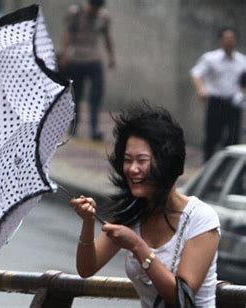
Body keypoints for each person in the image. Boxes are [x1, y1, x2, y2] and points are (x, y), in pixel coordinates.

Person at [69, 104, 220, 307]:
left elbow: (180, 299)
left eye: (142, 160)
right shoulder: (132, 212)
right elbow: (87, 268)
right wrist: (87, 223)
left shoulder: (201, 218)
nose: (133, 169)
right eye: (128, 160)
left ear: (166, 163)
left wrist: (137, 246)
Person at [60, 0, 115, 140]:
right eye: (93, 8)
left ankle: (94, 128)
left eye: (97, 9)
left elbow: (107, 36)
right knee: (76, 95)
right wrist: (65, 54)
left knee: (96, 94)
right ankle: (74, 125)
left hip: (94, 59)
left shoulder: (103, 17)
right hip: (76, 59)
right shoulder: (75, 13)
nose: (94, 11)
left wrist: (111, 56)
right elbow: (66, 33)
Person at [190, 27, 246, 162]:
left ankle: (228, 168)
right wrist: (201, 90)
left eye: (232, 39)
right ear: (221, 41)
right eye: (226, 39)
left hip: (234, 103)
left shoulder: (242, 60)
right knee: (212, 136)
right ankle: (207, 166)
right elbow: (196, 73)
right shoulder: (211, 58)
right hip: (216, 102)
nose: (229, 42)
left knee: (232, 137)